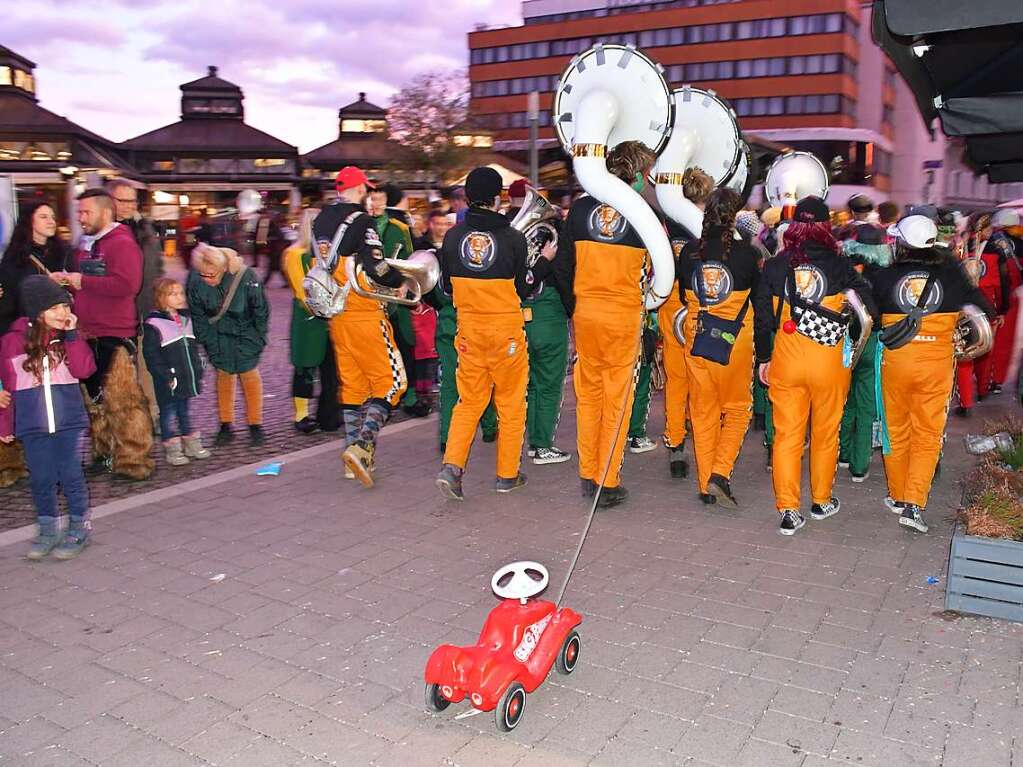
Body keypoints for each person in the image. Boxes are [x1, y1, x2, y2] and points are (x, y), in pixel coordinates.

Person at [754, 196, 875, 536]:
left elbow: (763, 319)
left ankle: (788, 510)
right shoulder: (839, 265)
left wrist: (764, 358)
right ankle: (821, 501)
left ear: (793, 226)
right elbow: (871, 308)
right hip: (828, 361)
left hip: (787, 359)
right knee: (825, 433)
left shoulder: (776, 265)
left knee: (787, 437)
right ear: (826, 227)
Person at [435, 167, 553, 500]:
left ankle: (452, 467)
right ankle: (507, 474)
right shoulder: (513, 238)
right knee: (511, 403)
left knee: (469, 402)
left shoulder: (453, 237)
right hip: (506, 334)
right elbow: (525, 287)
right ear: (498, 198)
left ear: (469, 198)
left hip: (469, 332)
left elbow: (445, 287)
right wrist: (543, 261)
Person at [873, 215, 996, 533]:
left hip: (896, 363)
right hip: (936, 365)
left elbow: (871, 321)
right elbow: (987, 311)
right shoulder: (952, 275)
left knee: (896, 430)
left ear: (901, 243)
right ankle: (914, 505)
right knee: (927, 435)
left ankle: (897, 496)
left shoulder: (884, 276)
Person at [556, 140, 659, 508]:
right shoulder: (643, 211)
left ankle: (588, 474)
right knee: (617, 399)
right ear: (635, 173)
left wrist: (575, 308)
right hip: (623, 317)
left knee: (588, 397)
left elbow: (562, 267)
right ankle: (607, 480)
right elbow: (659, 270)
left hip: (586, 316)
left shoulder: (581, 208)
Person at [314, 166, 407, 486]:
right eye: (366, 190)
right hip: (365, 312)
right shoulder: (362, 221)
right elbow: (377, 266)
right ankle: (362, 446)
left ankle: (350, 456)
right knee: (393, 383)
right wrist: (401, 280)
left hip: (337, 316)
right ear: (358, 189)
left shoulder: (320, 219)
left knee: (353, 387)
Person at [52, 188, 154, 481]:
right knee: (96, 401)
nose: (81, 218)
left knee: (123, 401)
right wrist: (67, 283)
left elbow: (127, 286)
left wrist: (82, 281)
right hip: (87, 333)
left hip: (115, 334)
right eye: (79, 212)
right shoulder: (85, 243)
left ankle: (133, 461)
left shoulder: (122, 243)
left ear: (105, 212)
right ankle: (105, 453)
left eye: (86, 212)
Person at [0, 276, 96, 560]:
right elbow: (6, 387)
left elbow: (84, 370)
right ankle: (47, 528)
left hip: (68, 422)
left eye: (65, 306)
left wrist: (72, 336)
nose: (63, 314)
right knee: (41, 478)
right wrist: (4, 423)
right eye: (54, 308)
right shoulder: (11, 343)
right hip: (32, 424)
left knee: (70, 474)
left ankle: (79, 525)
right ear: (35, 311)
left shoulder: (67, 339)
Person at [678, 187, 761, 507]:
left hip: (696, 337)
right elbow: (758, 298)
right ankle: (719, 473)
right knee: (738, 410)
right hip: (733, 342)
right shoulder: (748, 255)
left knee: (703, 413)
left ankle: (704, 485)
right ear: (734, 216)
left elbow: (686, 298)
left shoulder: (689, 252)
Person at [419, 210, 497, 450]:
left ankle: (447, 438)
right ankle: (490, 426)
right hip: (477, 320)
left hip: (448, 321)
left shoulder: (443, 253)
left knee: (450, 382)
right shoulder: (487, 251)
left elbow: (431, 292)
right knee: (484, 376)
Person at [658, 166, 714, 478]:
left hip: (669, 306)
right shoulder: (708, 226)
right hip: (699, 305)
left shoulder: (665, 223)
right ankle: (703, 441)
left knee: (676, 381)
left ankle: (675, 442)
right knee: (702, 379)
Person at [187, 243, 269, 446]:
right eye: (204, 275)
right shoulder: (197, 281)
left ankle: (255, 425)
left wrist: (257, 339)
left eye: (212, 275)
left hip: (246, 333)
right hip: (218, 335)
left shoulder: (246, 277)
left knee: (249, 375)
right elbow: (198, 316)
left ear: (224, 268)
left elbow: (260, 310)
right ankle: (225, 424)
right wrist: (208, 343)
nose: (208, 279)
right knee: (224, 375)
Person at [515, 187, 573, 466]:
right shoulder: (553, 242)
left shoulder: (516, 240)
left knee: (529, 384)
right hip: (549, 315)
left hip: (523, 316)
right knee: (549, 384)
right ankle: (541, 445)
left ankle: (529, 442)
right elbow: (563, 276)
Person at [108, 179, 165, 430]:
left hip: (145, 311)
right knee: (116, 371)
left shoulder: (146, 231)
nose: (129, 205)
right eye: (123, 200)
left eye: (132, 200)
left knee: (147, 367)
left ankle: (152, 415)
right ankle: (121, 424)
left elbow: (157, 270)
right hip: (114, 315)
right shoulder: (104, 234)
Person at [837, 225, 893, 482]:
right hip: (871, 343)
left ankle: (843, 454)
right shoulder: (885, 273)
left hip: (843, 339)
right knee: (866, 404)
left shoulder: (843, 269)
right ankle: (860, 465)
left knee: (843, 400)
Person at [367, 185, 424, 418]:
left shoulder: (400, 227)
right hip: (371, 297)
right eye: (372, 200)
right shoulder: (361, 227)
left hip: (397, 299)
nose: (376, 204)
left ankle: (409, 396)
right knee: (378, 351)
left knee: (404, 345)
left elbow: (410, 260)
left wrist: (406, 285)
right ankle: (384, 398)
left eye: (379, 199)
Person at [282, 209, 339, 435]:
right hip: (308, 318)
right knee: (304, 367)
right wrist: (324, 308)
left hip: (330, 317)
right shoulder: (295, 254)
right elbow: (301, 289)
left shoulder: (331, 252)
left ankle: (328, 415)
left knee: (330, 370)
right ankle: (301, 415)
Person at [142, 278, 211, 466]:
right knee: (168, 413)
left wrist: (198, 368)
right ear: (161, 298)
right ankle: (171, 448)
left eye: (180, 293)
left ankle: (190, 443)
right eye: (173, 294)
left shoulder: (186, 319)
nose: (179, 297)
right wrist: (166, 374)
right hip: (169, 379)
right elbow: (152, 356)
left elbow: (193, 348)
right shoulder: (154, 324)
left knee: (185, 411)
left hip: (186, 377)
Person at [0, 202, 70, 335]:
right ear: (29, 221)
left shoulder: (63, 252)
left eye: (52, 217)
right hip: (27, 329)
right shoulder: (16, 256)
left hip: (59, 324)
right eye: (43, 217)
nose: (51, 221)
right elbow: (9, 299)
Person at [988, 209, 1021, 394]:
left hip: (989, 294)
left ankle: (984, 376)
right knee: (1005, 341)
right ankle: (997, 379)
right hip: (1011, 297)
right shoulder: (1021, 242)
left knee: (985, 336)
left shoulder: (991, 241)